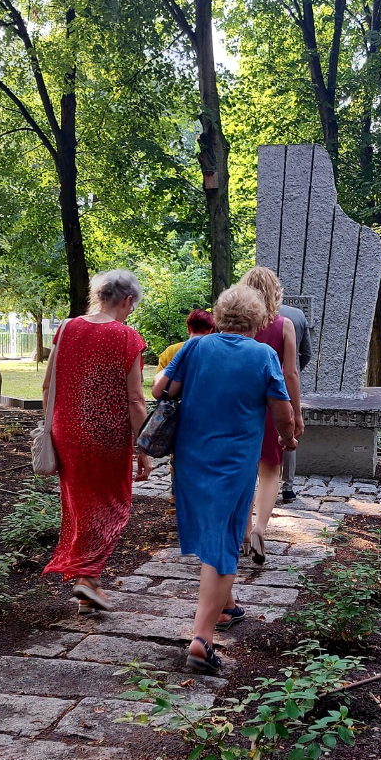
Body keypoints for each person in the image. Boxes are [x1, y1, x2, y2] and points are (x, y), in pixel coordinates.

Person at [154, 283, 297, 675]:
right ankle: (202, 638)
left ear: (218, 316)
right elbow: (281, 410)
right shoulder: (263, 354)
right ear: (257, 320)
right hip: (235, 461)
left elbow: (160, 388)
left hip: (190, 457)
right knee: (225, 542)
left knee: (210, 531)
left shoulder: (196, 347)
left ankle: (227, 606)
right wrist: (287, 438)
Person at [43, 270, 153, 612]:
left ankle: (87, 589)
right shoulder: (127, 338)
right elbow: (136, 400)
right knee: (113, 505)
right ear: (128, 300)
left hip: (68, 432)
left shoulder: (66, 328)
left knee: (80, 507)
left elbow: (48, 385)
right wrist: (144, 447)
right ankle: (88, 578)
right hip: (107, 436)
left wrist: (53, 428)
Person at [238, 266, 303, 562]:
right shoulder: (284, 325)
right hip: (271, 407)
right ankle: (260, 529)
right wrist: (296, 413)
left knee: (242, 472)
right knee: (269, 472)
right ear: (275, 292)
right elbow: (290, 373)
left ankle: (243, 530)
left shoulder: (232, 326)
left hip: (238, 405)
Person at [277, 300, 311, 503]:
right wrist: (295, 369)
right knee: (288, 432)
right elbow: (306, 353)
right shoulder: (297, 315)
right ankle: (288, 488)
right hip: (288, 384)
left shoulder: (252, 312)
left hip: (259, 382)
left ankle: (264, 482)